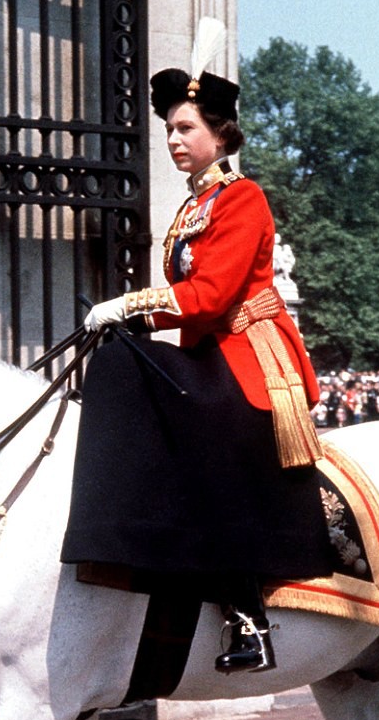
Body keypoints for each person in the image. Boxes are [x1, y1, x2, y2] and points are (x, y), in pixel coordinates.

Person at [61, 34, 329, 674]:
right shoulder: (195, 204)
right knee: (122, 365)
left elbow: (209, 297)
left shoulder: (242, 198)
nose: (174, 140)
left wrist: (129, 306)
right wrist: (129, 319)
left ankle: (249, 616)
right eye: (169, 130)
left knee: (203, 446)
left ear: (220, 133)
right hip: (210, 352)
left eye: (186, 128)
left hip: (252, 358)